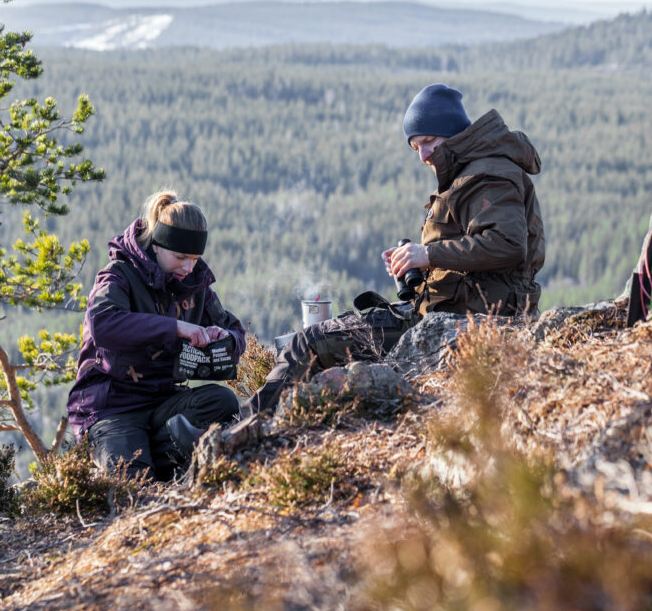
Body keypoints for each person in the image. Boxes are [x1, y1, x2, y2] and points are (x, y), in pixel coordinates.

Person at [243, 83, 545, 415]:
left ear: (453, 133)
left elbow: (507, 245)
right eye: (415, 146)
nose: (423, 155)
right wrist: (418, 260)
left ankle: (241, 430)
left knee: (309, 343)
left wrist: (428, 255)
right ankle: (263, 420)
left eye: (429, 142)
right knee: (313, 341)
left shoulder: (489, 174)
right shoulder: (472, 171)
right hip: (445, 313)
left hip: (463, 321)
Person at [67, 191, 245, 480]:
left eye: (196, 259)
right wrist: (176, 328)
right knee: (135, 485)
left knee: (223, 402)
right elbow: (102, 324)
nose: (189, 268)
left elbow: (235, 331)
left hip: (164, 402)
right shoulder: (118, 276)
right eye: (180, 257)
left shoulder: (194, 284)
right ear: (157, 246)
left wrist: (222, 338)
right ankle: (153, 459)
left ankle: (166, 455)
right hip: (111, 409)